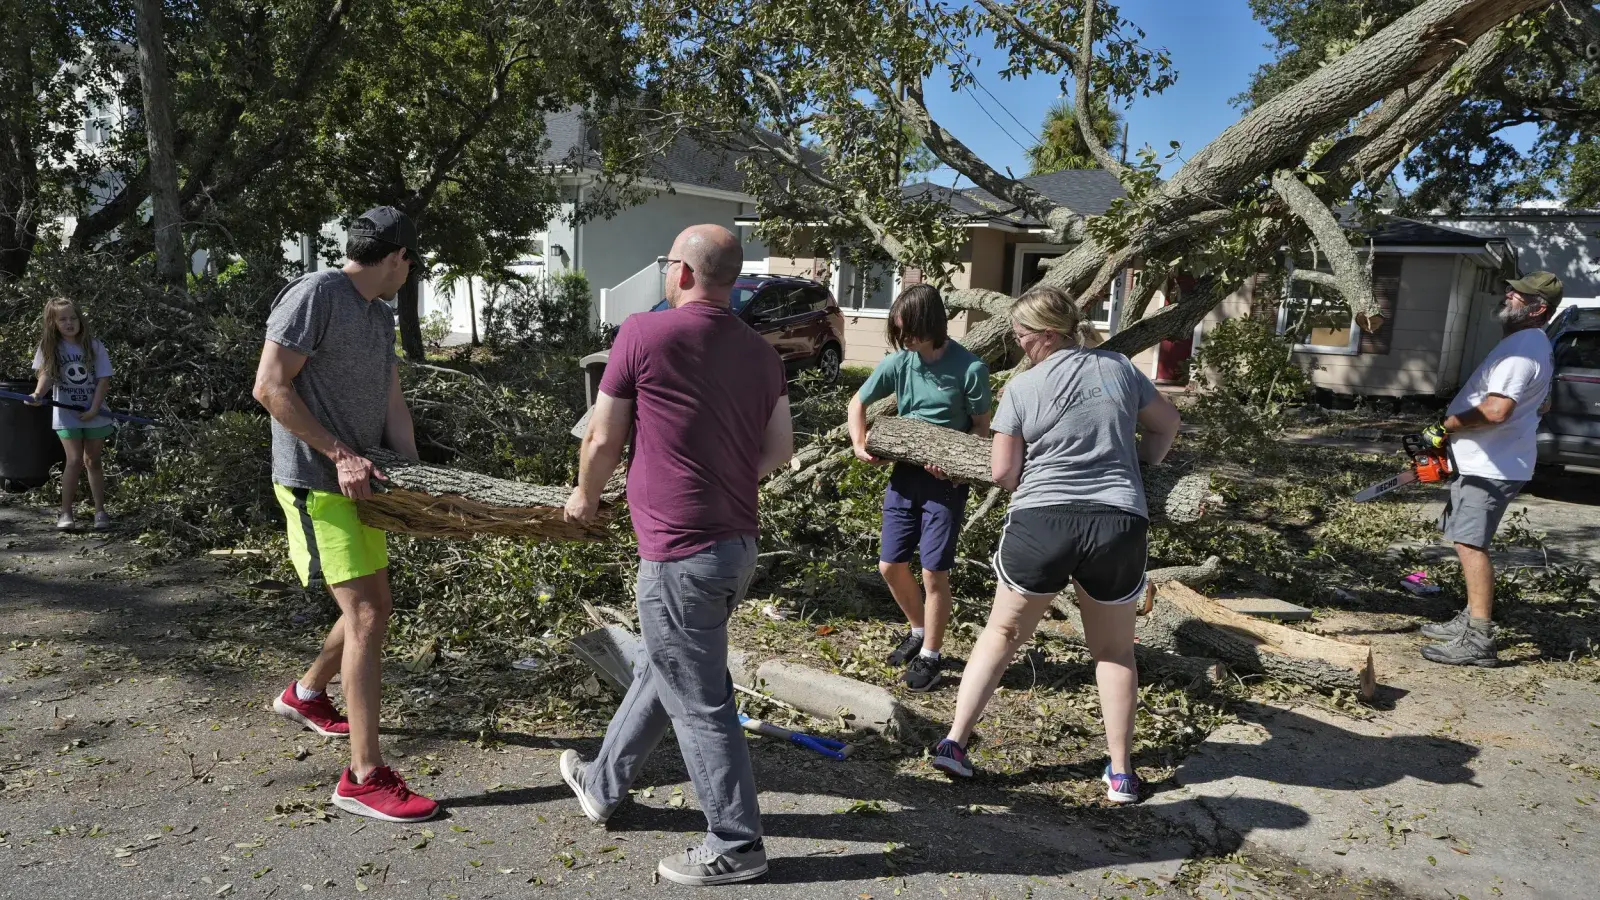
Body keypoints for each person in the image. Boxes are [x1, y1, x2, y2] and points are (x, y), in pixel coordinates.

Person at [560, 224, 792, 887]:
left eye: (667, 263)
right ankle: (604, 782)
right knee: (670, 669)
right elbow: (779, 450)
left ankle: (737, 842)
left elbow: (605, 435)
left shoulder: (643, 333)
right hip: (736, 545)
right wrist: (723, 471)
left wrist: (583, 496)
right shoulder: (761, 353)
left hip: (680, 552)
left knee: (700, 700)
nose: (665, 273)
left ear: (684, 273)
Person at [928, 285, 1181, 805]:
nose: (1018, 345)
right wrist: (1148, 466)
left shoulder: (1022, 389)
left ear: (1047, 334)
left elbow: (1002, 472)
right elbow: (1167, 425)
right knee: (1114, 651)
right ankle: (1120, 774)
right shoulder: (1120, 368)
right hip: (1117, 524)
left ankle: (954, 743)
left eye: (1022, 336)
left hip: (1043, 524)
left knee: (1000, 633)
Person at [252, 206, 438, 823]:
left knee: (372, 606)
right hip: (316, 481)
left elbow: (391, 399)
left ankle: (306, 694)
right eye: (410, 264)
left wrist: (418, 481)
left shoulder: (378, 315)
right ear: (395, 259)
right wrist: (339, 454)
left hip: (363, 483)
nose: (409, 275)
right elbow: (270, 386)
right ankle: (362, 776)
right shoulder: (317, 293)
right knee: (366, 612)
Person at [848, 284, 992, 692]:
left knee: (933, 572)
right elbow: (857, 404)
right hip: (905, 474)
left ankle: (932, 653)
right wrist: (860, 445)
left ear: (931, 324)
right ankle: (917, 629)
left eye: (909, 331)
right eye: (899, 332)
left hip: (946, 483)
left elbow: (982, 432)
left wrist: (958, 467)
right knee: (890, 566)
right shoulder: (900, 363)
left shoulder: (970, 369)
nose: (905, 339)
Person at [1416, 272, 1561, 667]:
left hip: (1492, 466)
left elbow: (1497, 410)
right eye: (1512, 290)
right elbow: (1542, 404)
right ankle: (1469, 618)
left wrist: (1446, 426)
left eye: (1521, 294)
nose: (1510, 294)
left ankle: (1479, 637)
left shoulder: (1522, 349)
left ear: (1538, 308)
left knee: (1470, 544)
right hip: (1488, 460)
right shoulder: (1530, 344)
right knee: (1463, 538)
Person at [28, 298, 116, 532]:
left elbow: (103, 380)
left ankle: (100, 511)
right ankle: (66, 513)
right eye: (63, 319)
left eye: (73, 318)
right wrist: (38, 394)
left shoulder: (94, 345)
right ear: (53, 323)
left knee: (93, 461)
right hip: (67, 413)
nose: (69, 323)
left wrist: (94, 409)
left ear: (80, 320)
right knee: (74, 460)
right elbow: (46, 376)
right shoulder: (51, 348)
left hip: (94, 411)